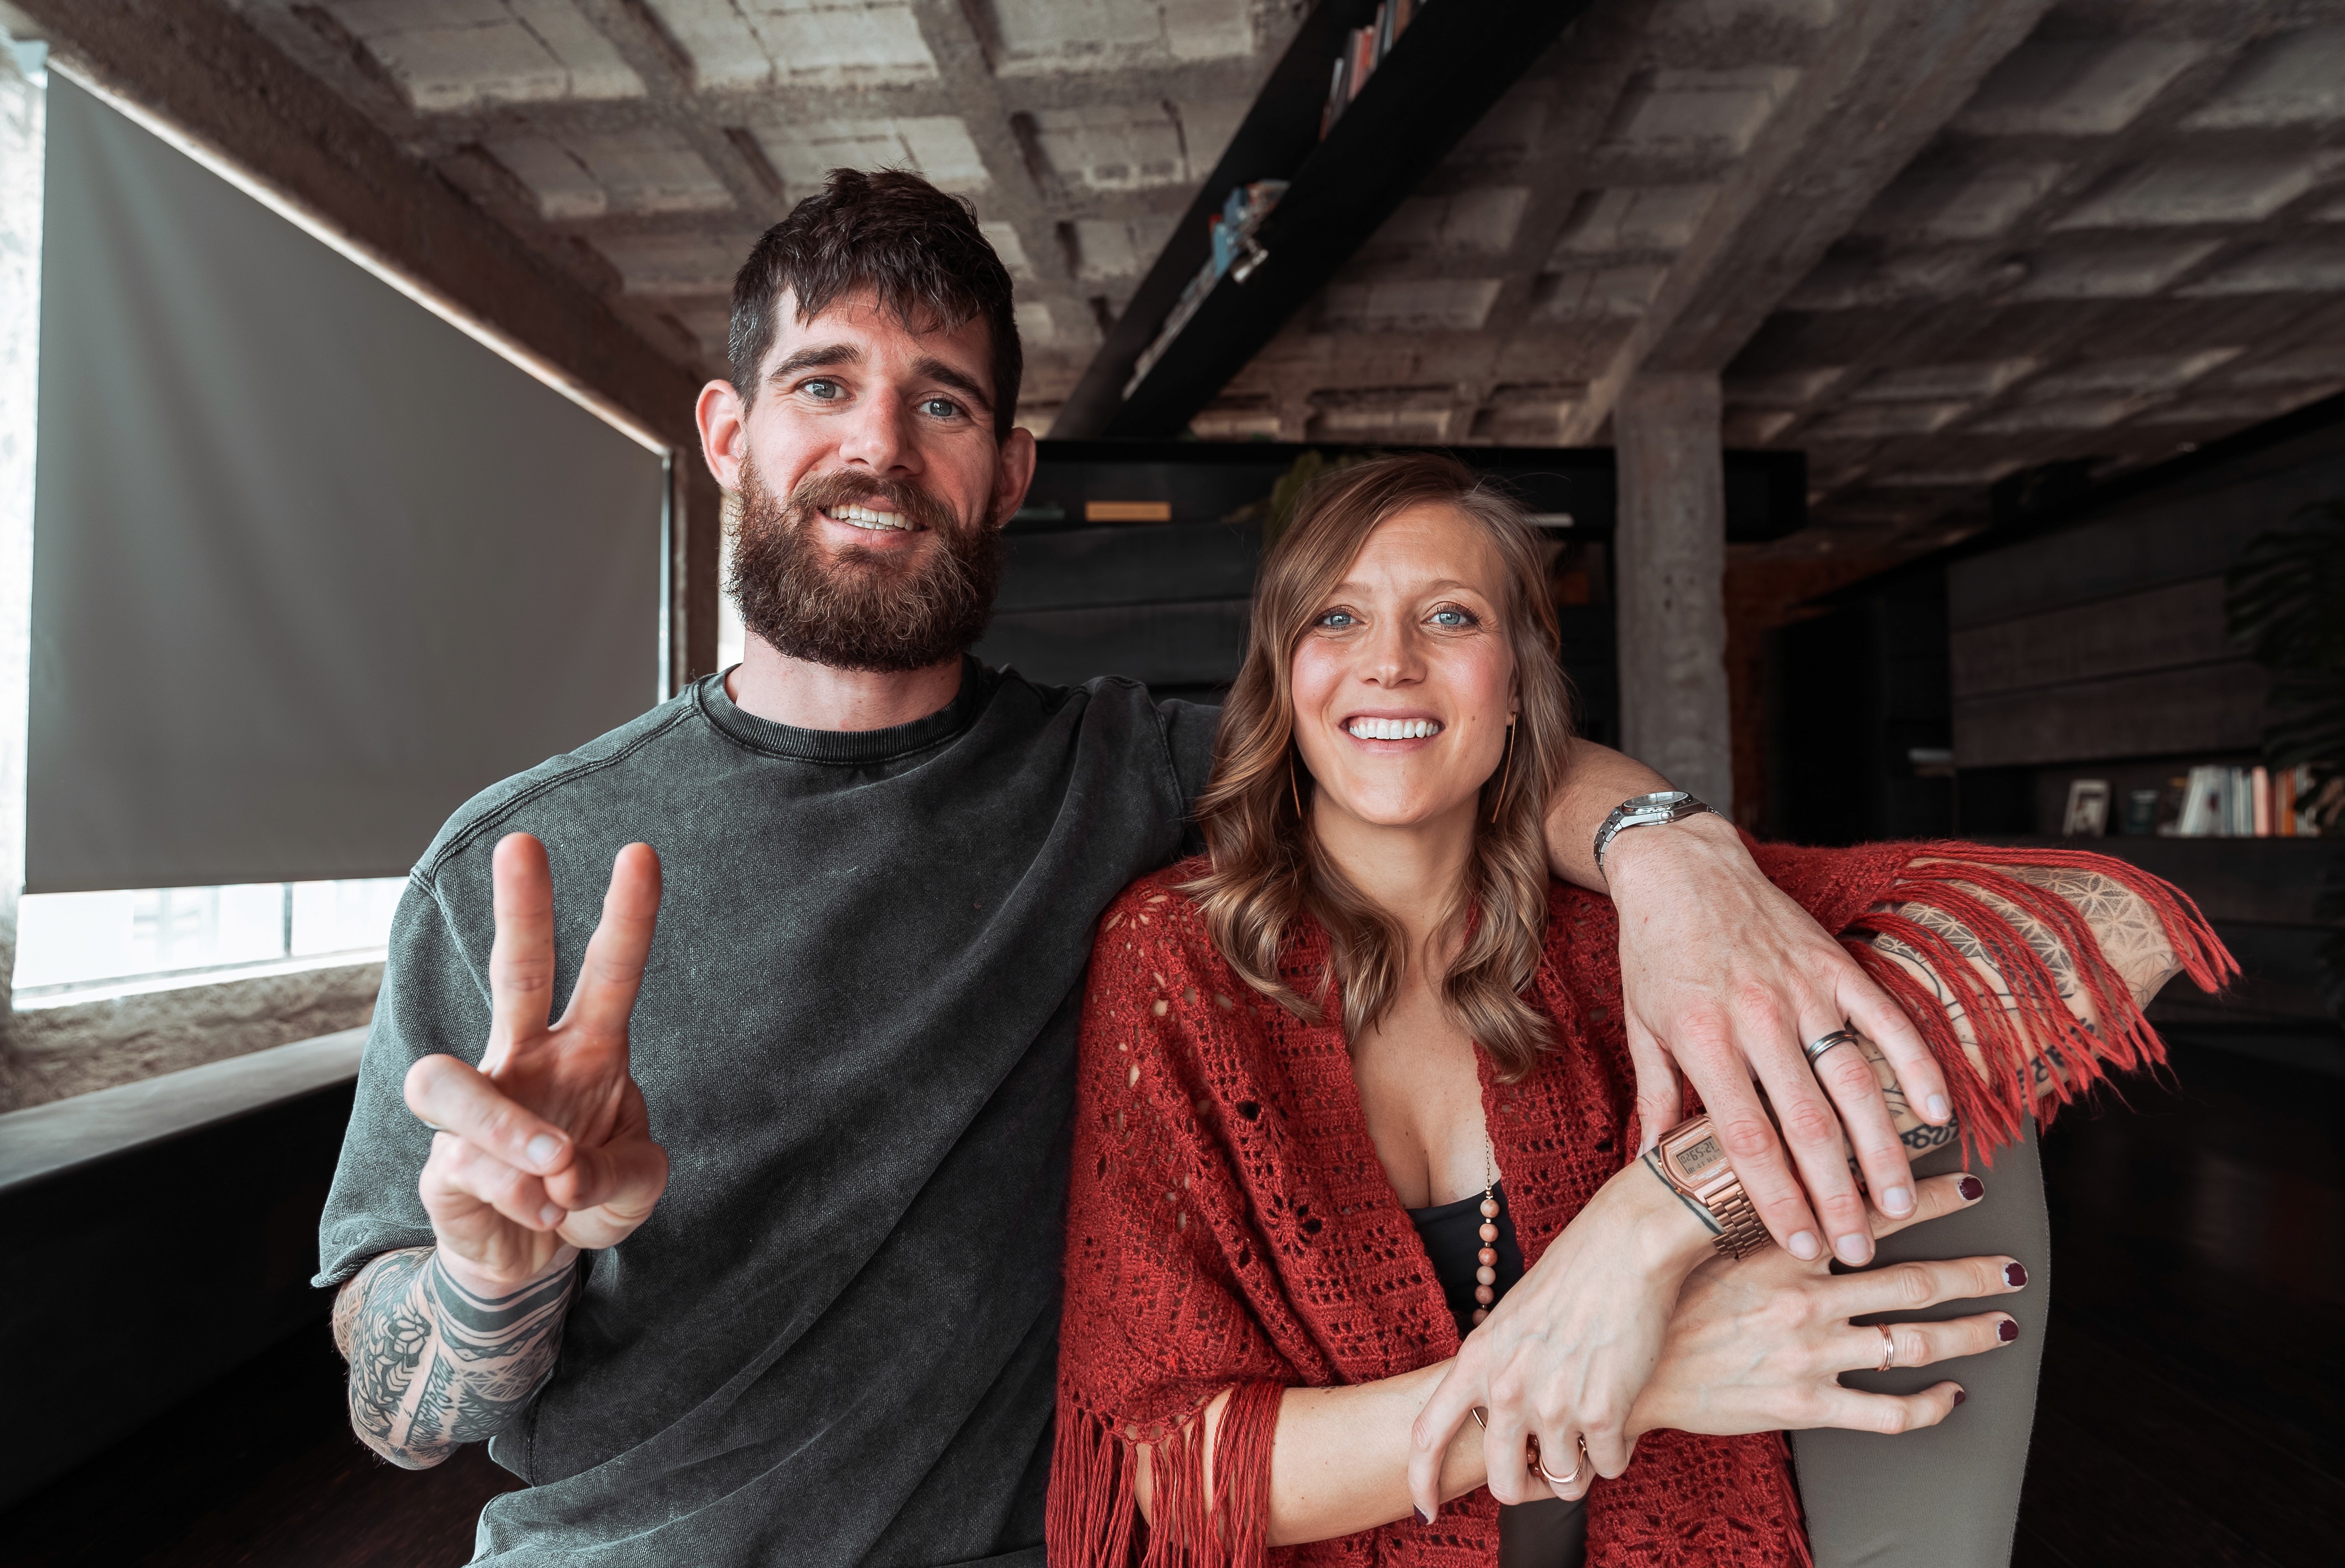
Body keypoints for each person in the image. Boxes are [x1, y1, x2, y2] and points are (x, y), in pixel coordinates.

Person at [317, 169, 2028, 1566]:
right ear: (727, 432)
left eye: (942, 401)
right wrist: (494, 1277)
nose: (879, 445)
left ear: (1008, 473)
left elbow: (1418, 739)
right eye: (823, 385)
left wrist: (1675, 856)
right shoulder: (513, 871)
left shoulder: (1126, 775)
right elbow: (397, 1419)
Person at [1049, 455, 2230, 1565]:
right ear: (1282, 678)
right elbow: (1172, 1463)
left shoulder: (1643, 939)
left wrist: (1646, 1229)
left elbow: (2116, 929)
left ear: (1520, 688)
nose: (1390, 660)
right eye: (1336, 618)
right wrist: (1643, 1366)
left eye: (1451, 616)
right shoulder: (1175, 961)